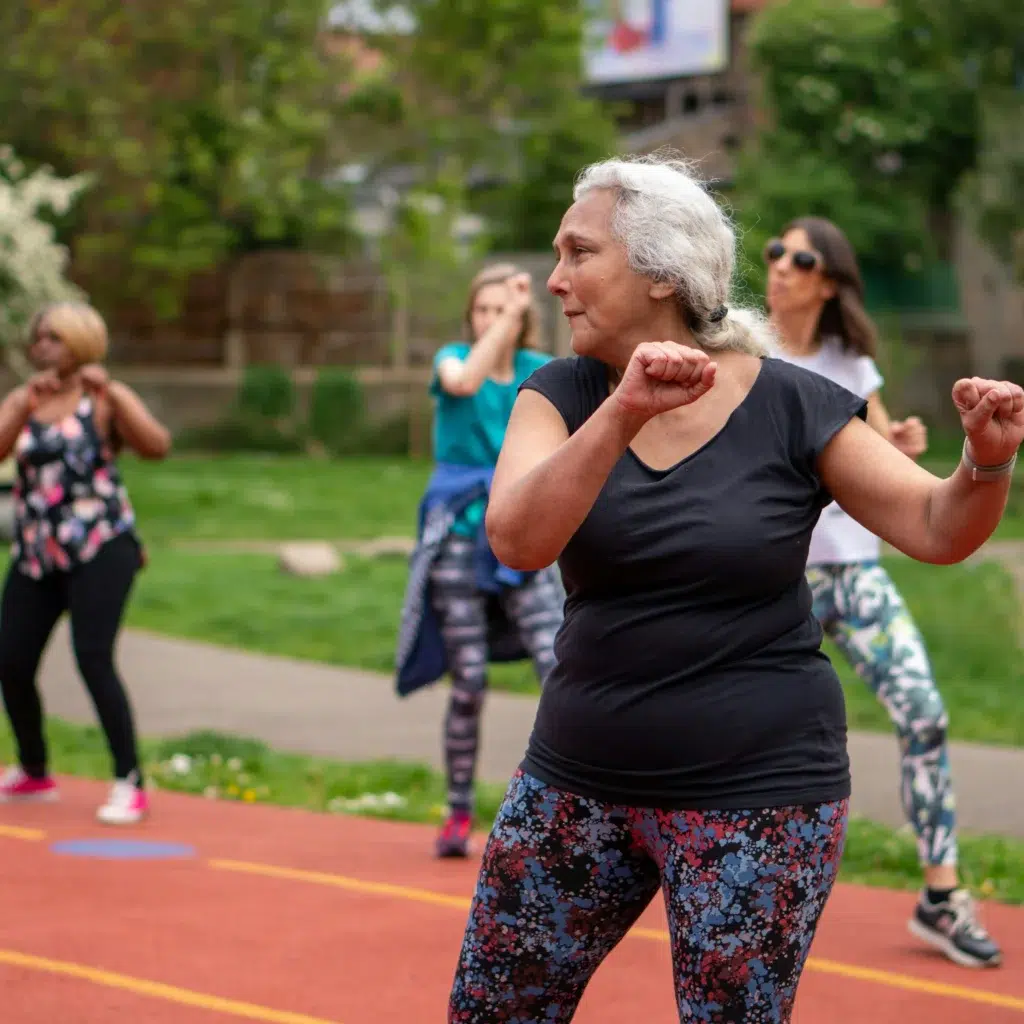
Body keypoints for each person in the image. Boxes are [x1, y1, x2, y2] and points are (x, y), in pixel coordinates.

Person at [446, 153, 1024, 1023]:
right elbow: (518, 540)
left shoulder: (797, 404)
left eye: (579, 253)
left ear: (661, 275)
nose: (555, 280)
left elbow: (937, 529)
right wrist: (624, 410)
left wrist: (984, 461)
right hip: (577, 782)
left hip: (760, 797)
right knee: (492, 1010)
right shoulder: (559, 394)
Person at [763, 217, 1003, 969]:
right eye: (773, 252)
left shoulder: (851, 363)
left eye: (797, 258)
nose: (778, 267)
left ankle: (940, 896)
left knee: (925, 714)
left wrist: (891, 451)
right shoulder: (743, 353)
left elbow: (867, 457)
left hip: (853, 573)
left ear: (827, 280)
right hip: (776, 579)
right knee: (750, 737)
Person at [395, 264, 565, 859]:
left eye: (504, 309)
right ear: (470, 315)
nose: (492, 319)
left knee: (558, 668)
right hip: (459, 538)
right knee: (467, 683)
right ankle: (458, 809)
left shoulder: (538, 371)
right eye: (483, 309)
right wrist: (513, 317)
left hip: (521, 533)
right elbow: (465, 381)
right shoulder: (452, 358)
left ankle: (558, 813)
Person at [0, 301, 171, 825]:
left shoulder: (103, 398)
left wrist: (114, 398)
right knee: (10, 659)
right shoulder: (26, 399)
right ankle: (35, 769)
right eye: (37, 339)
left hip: (100, 546)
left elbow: (157, 447)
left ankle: (129, 780)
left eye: (51, 337)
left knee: (93, 655)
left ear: (78, 341)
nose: (40, 347)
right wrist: (21, 407)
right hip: (37, 551)